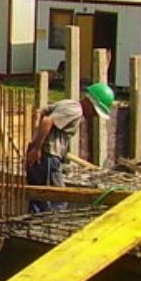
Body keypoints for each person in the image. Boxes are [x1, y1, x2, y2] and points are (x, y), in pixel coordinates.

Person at [25, 82, 115, 212]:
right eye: (95, 111)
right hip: (48, 156)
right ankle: (49, 224)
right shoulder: (75, 111)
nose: (94, 115)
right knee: (58, 200)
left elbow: (41, 112)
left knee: (37, 197)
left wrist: (35, 140)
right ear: (90, 103)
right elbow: (47, 121)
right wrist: (37, 148)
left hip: (42, 155)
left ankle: (33, 222)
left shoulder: (68, 103)